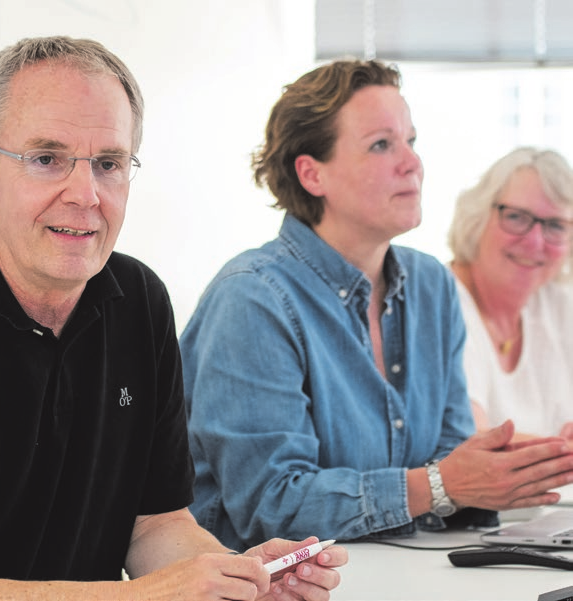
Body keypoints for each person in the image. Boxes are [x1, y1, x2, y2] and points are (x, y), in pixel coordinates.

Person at [0, 36, 346, 601]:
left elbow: (154, 525)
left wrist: (232, 577)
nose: (86, 193)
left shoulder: (139, 302)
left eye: (109, 164)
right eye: (47, 159)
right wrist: (140, 599)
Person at [179, 58, 573, 549]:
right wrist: (442, 484)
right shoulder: (252, 299)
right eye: (381, 144)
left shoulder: (431, 285)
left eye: (411, 140)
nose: (412, 163)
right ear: (312, 174)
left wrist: (518, 466)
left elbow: (449, 463)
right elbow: (273, 507)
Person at [448, 147, 573, 440]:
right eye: (516, 217)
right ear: (477, 216)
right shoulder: (441, 300)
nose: (534, 241)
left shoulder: (560, 304)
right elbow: (471, 441)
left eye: (556, 225)